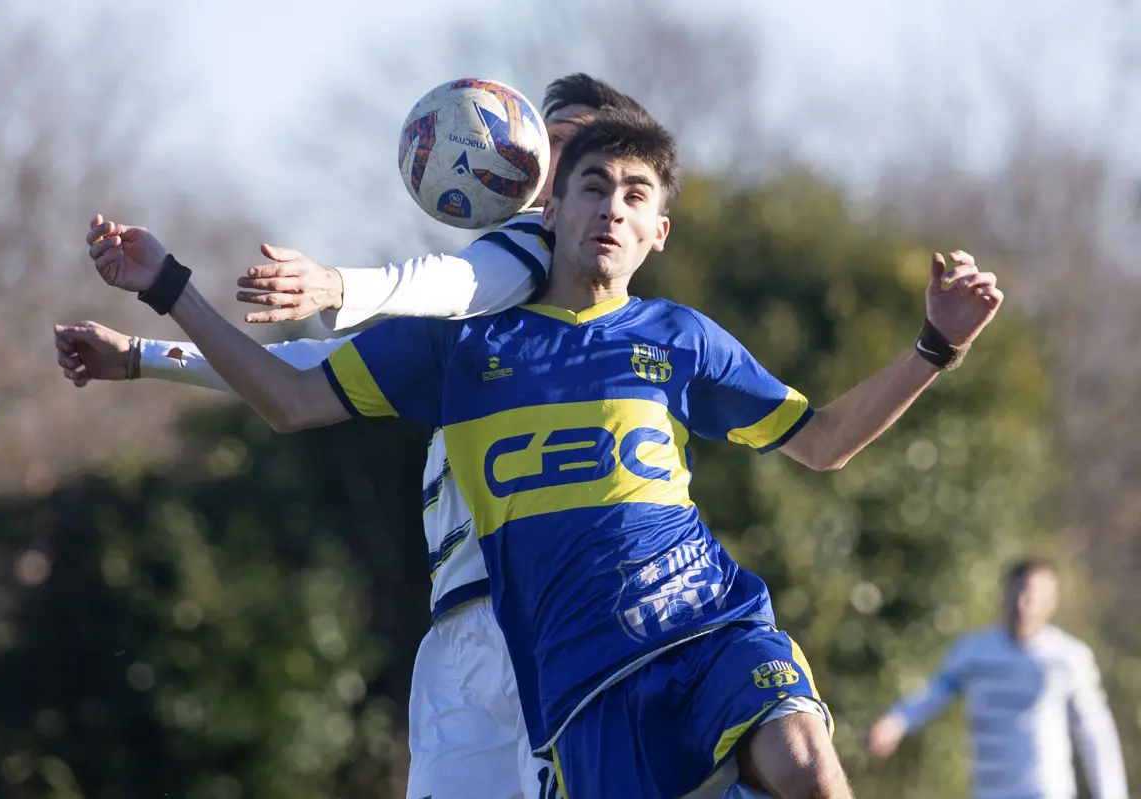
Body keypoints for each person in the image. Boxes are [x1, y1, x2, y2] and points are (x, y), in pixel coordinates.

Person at [81, 110, 1003, 798]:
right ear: (550, 209)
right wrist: (168, 288)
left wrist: (934, 346)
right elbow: (288, 396)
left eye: (635, 196)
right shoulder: (460, 345)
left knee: (809, 762)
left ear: (658, 233)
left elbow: (825, 443)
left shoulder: (679, 336)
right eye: (595, 187)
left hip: (707, 622)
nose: (612, 208)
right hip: (581, 681)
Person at [58, 75, 647, 799]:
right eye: (535, 137)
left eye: (561, 146)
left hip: (554, 620)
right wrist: (146, 354)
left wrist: (339, 286)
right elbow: (304, 378)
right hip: (459, 634)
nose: (529, 158)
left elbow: (460, 279)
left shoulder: (537, 266)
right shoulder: (472, 337)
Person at [868, 558, 1128, 799]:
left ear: (1052, 602)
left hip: (1045, 791)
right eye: (1017, 591)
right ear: (1005, 595)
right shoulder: (973, 652)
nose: (1023, 603)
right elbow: (936, 691)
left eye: (1032, 594)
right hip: (990, 791)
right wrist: (898, 720)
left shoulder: (1068, 658)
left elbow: (1095, 731)